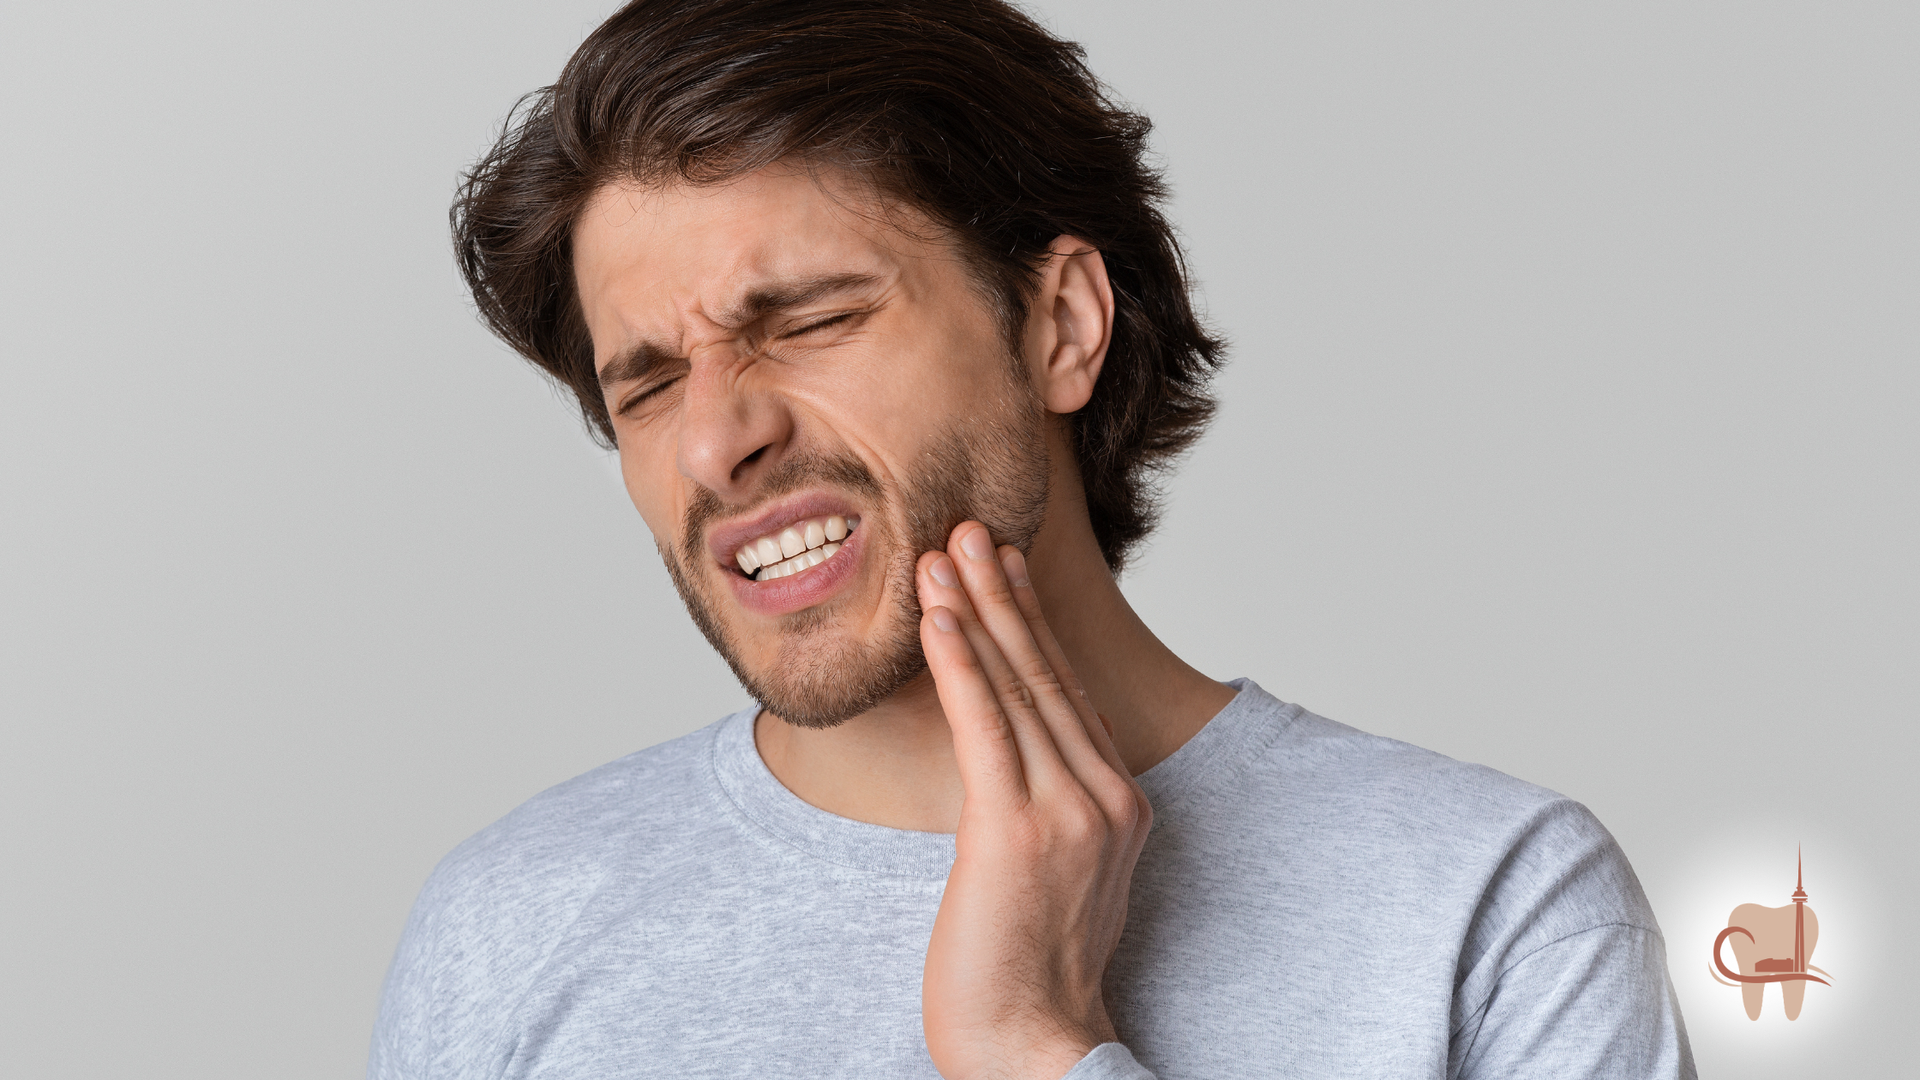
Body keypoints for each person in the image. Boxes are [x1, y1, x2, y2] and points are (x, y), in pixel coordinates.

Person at [370, 1, 1695, 1077]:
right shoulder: (511, 927)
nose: (716, 444)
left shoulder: (1488, 909)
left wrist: (1035, 1049)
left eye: (813, 319)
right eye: (649, 385)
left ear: (1058, 324)